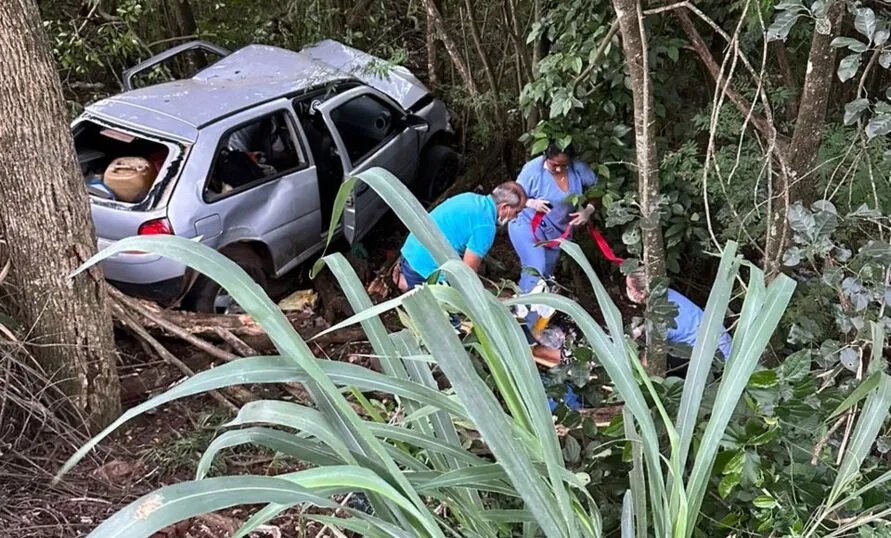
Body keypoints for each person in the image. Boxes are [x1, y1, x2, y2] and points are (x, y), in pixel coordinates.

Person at [509, 142, 599, 327]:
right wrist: (530, 203)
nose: (558, 168)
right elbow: (512, 196)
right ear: (545, 157)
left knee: (546, 277)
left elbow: (599, 190)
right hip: (526, 223)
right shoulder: (533, 169)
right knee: (535, 268)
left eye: (563, 165)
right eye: (553, 164)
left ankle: (534, 324)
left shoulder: (579, 170)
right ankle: (521, 325)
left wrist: (588, 210)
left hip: (556, 232)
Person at [395, 182, 527, 291]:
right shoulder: (485, 227)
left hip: (411, 248)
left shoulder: (469, 197)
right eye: (516, 212)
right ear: (504, 207)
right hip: (426, 267)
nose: (515, 217)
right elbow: (467, 274)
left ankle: (406, 280)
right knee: (449, 318)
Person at [625, 269, 733, 372]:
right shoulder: (665, 294)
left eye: (630, 288)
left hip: (715, 358)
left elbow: (652, 352)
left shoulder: (659, 319)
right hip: (723, 342)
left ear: (642, 293)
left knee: (661, 365)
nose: (628, 290)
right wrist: (639, 330)